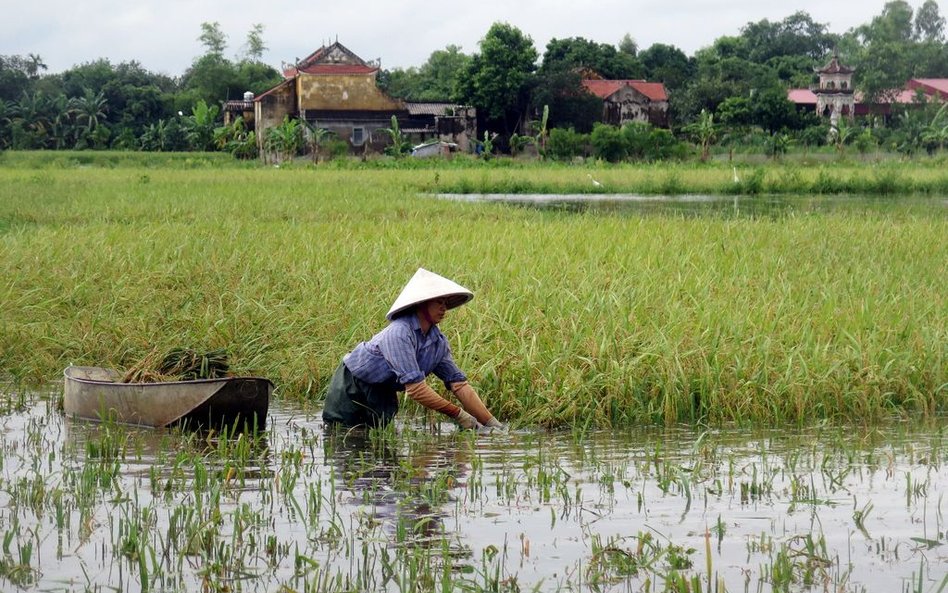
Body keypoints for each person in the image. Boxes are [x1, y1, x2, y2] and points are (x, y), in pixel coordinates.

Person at [322, 268, 505, 431]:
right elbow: (416, 390)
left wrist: (491, 423)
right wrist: (458, 414)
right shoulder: (399, 333)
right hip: (353, 385)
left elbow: (459, 385)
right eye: (438, 303)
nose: (444, 309)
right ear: (421, 304)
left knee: (377, 440)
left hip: (383, 390)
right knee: (342, 436)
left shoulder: (437, 342)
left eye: (445, 304)